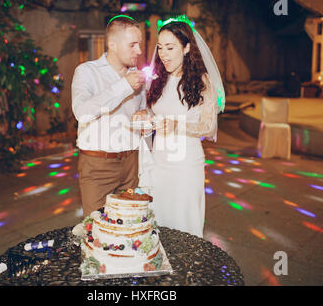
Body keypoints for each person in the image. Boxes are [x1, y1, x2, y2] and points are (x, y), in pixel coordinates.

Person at [133, 16, 225, 238]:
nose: (163, 54)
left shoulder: (202, 82)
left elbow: (208, 126)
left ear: (186, 48)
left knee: (184, 224)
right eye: (160, 47)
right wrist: (143, 116)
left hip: (185, 165)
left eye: (170, 47)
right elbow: (154, 113)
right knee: (159, 223)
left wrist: (177, 125)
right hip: (159, 162)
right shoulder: (158, 80)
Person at [71, 15, 147, 217]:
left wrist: (145, 115)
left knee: (129, 225)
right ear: (112, 44)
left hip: (131, 163)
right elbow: (82, 113)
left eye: (139, 44)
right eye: (132, 45)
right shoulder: (87, 72)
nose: (139, 51)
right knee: (97, 231)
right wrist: (124, 86)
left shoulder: (137, 76)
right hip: (98, 166)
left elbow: (144, 111)